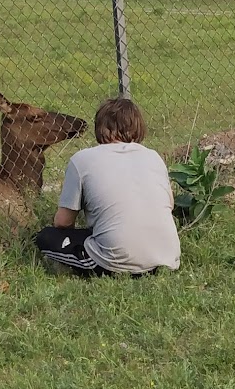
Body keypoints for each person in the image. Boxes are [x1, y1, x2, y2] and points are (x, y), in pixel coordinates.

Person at [35, 96, 181, 278]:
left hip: (114, 262)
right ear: (138, 127)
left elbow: (63, 222)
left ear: (100, 127)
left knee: (46, 237)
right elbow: (169, 205)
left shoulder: (82, 160)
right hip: (167, 257)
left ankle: (91, 264)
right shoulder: (154, 157)